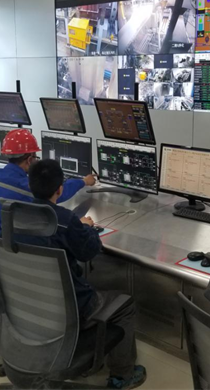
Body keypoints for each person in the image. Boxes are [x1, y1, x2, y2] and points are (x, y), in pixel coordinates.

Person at [23, 159, 146, 390]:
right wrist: (86, 228)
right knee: (125, 304)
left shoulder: (14, 212)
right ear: (60, 189)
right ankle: (123, 374)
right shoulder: (65, 220)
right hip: (69, 304)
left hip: (29, 300)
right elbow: (89, 252)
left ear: (30, 185)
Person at [0, 129, 96, 285]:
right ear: (29, 160)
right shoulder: (25, 188)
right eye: (35, 157)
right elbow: (54, 191)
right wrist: (83, 181)